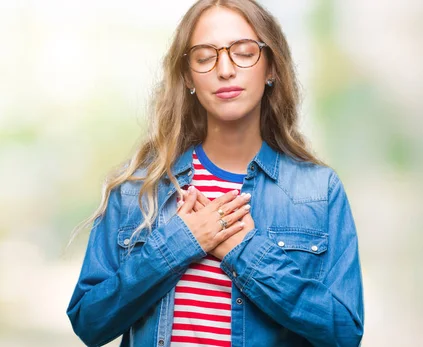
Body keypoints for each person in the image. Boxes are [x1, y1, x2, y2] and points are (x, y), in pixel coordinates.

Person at [66, 1, 364, 346]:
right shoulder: (138, 189)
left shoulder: (317, 190)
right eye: (205, 57)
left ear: (271, 68)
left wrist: (246, 252)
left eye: (243, 52)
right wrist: (180, 242)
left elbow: (344, 333)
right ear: (188, 77)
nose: (225, 70)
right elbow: (89, 321)